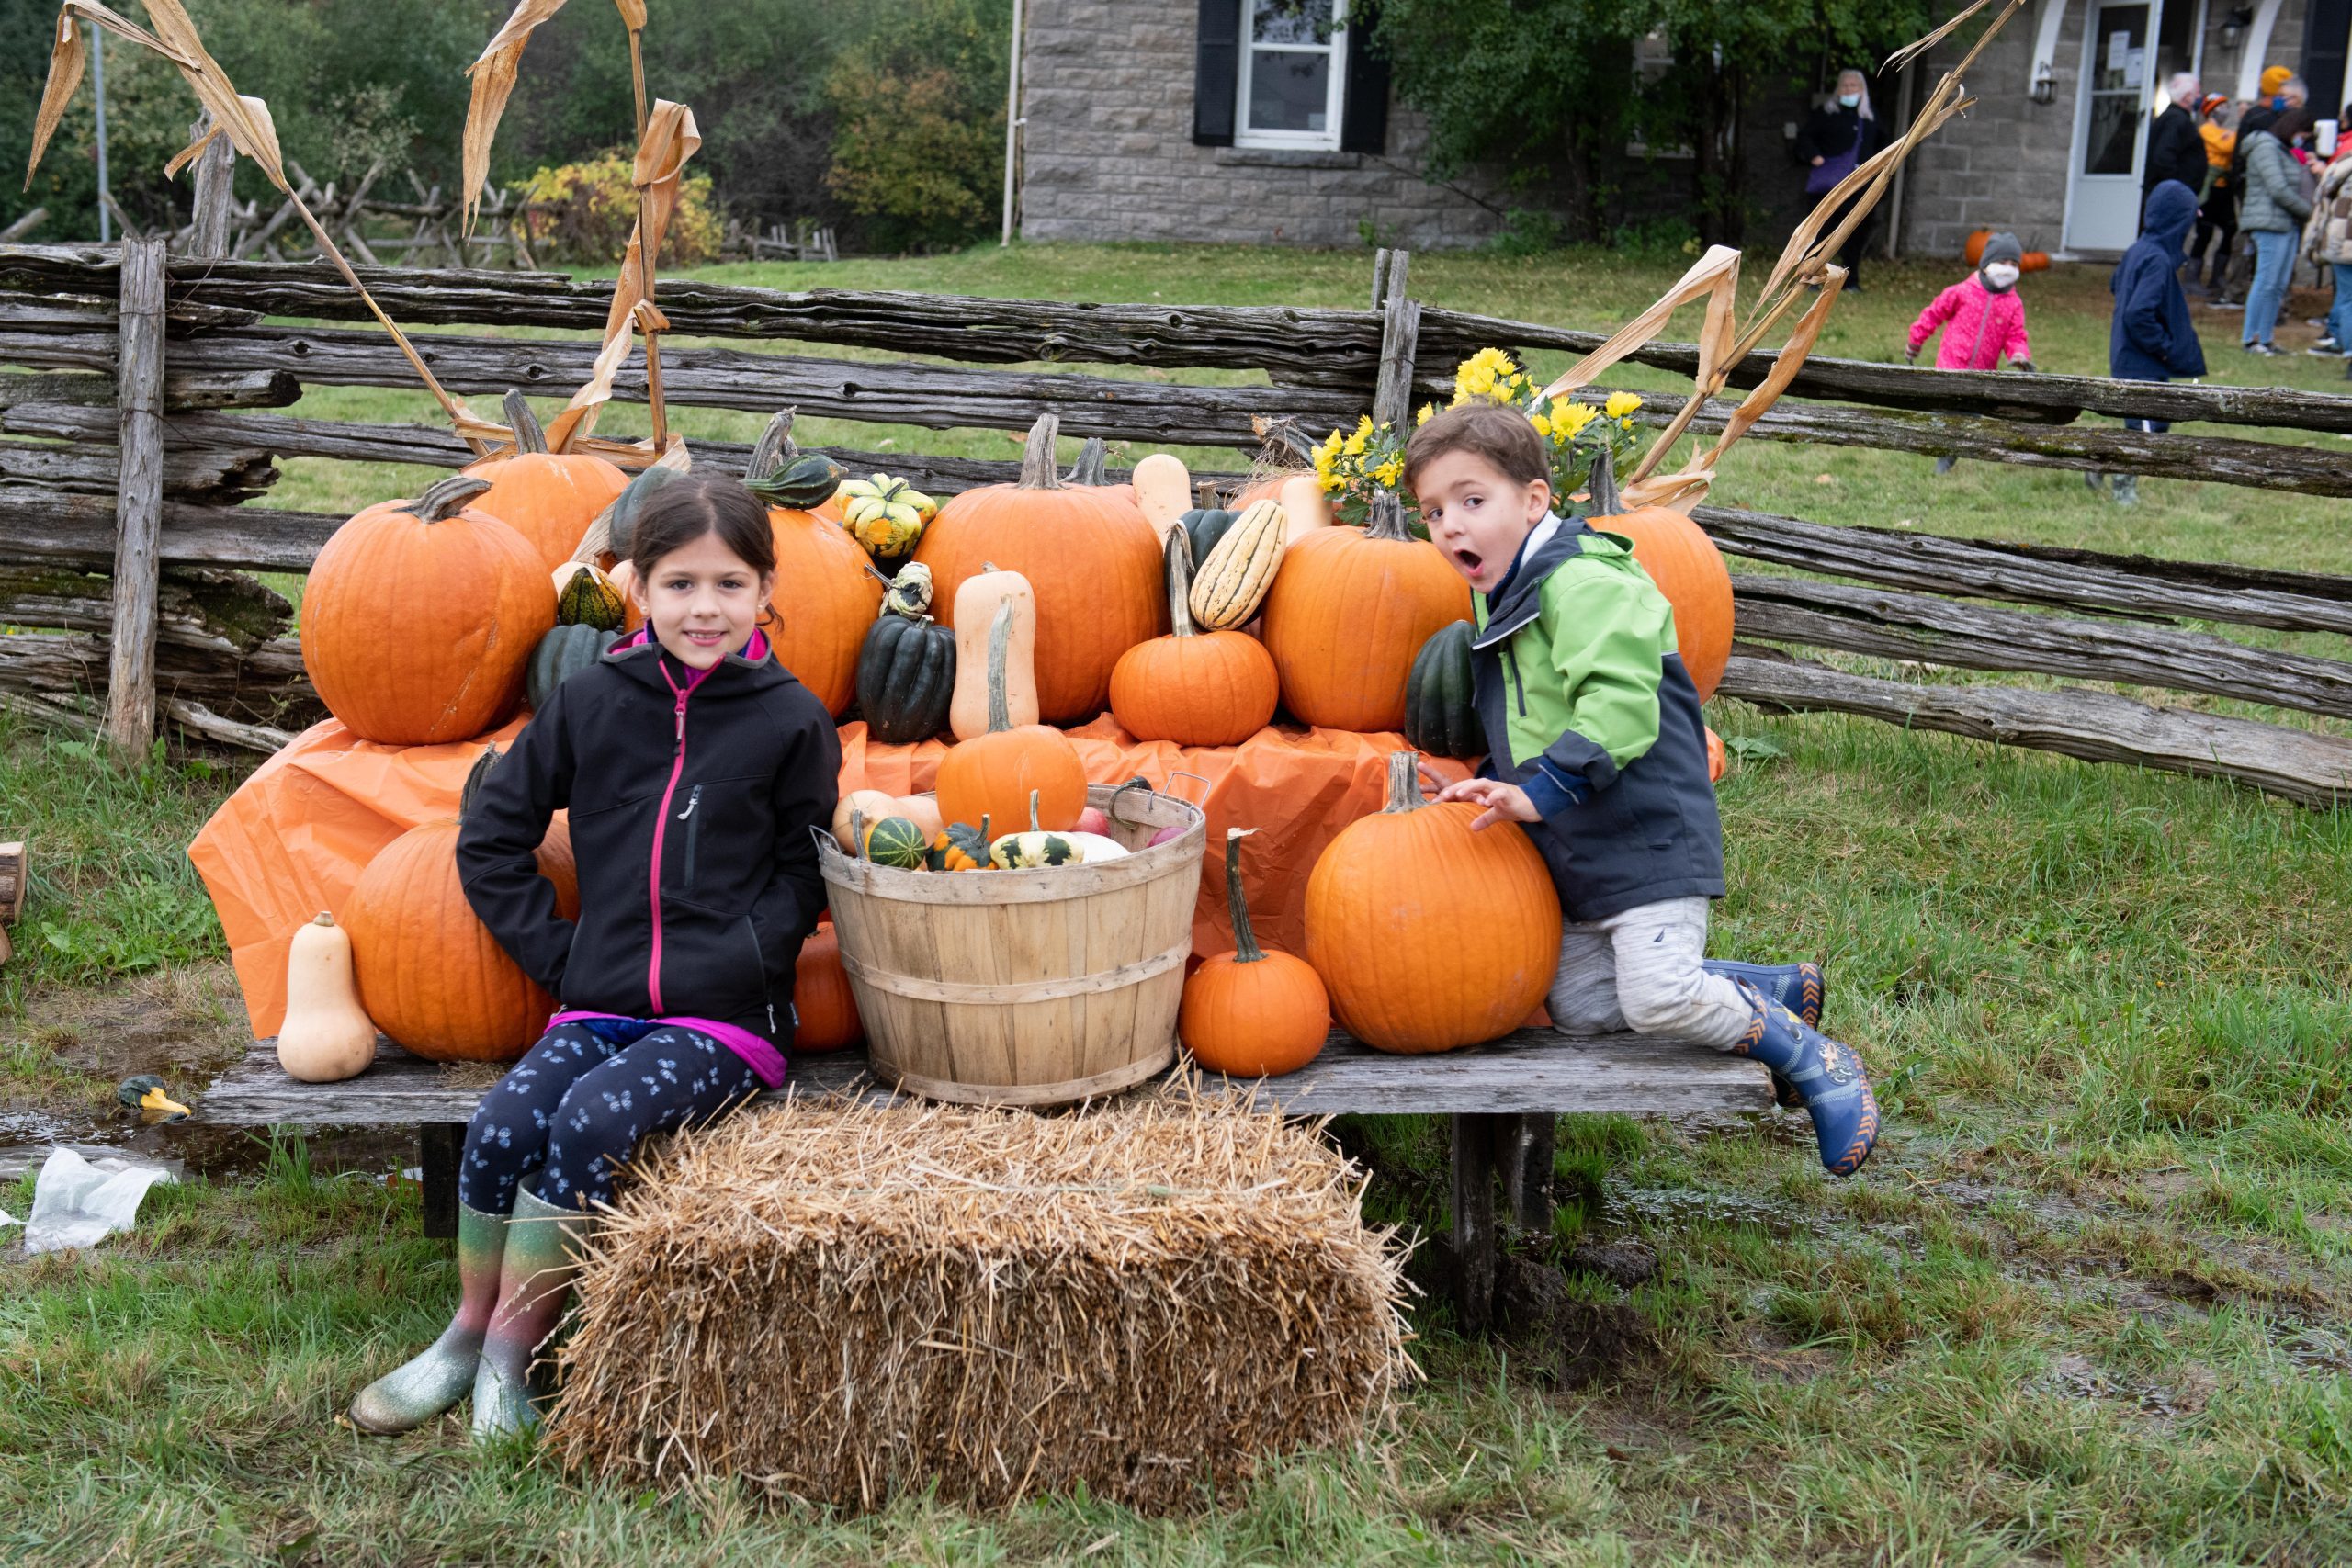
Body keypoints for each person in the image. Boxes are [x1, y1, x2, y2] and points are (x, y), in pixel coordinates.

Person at [347, 476, 841, 1439]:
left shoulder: (791, 719)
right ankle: (462, 1335)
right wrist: (560, 956)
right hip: (597, 997)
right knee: (501, 1124)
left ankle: (512, 1362)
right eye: (681, 584)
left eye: (729, 585)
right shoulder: (589, 700)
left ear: (765, 589)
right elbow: (492, 834)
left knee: (583, 1123)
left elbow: (806, 870)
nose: (705, 608)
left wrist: (748, 952)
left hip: (726, 1020)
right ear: (635, 588)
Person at [1403, 403, 1880, 1177]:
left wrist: (1540, 789)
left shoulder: (1585, 583)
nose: (1451, 524)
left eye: (1471, 500)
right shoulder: (1503, 593)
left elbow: (1619, 705)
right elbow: (1528, 715)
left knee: (1657, 999)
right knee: (1585, 1012)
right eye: (1433, 511)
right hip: (1580, 848)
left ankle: (1814, 1056)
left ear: (1534, 501)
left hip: (1645, 832)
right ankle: (1772, 987)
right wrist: (1490, 778)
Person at [2099, 179, 2208, 506]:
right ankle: (2123, 487)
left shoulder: (2139, 251)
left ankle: (2100, 463)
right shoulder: (2157, 260)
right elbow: (2137, 313)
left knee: (2158, 422)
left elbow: (2116, 284)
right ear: (2178, 222)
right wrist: (2162, 345)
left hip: (2135, 357)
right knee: (2143, 428)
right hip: (2140, 359)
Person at [1905, 231, 2037, 473]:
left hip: (1982, 375)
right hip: (1951, 366)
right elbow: (1933, 314)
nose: (2008, 269)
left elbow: (2016, 335)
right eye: (2002, 263)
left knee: (1969, 420)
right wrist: (1916, 340)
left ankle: (1949, 455)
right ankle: (1942, 447)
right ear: (1987, 264)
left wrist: (2019, 354)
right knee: (1944, 413)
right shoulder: (1962, 292)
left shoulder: (2013, 303)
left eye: (2014, 264)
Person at [1795, 69, 1886, 292]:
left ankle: (1850, 280)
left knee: (1855, 234)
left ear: (1862, 90)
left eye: (1853, 86)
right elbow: (1804, 137)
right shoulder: (1826, 114)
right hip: (1829, 188)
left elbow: (1884, 146)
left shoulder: (1870, 117)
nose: (1848, 90)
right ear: (1838, 89)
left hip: (1860, 188)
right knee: (1820, 233)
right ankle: (1811, 276)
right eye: (1844, 86)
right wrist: (1813, 155)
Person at [2239, 106, 2313, 355]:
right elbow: (2278, 188)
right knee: (2266, 281)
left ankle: (2266, 339)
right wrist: (2309, 212)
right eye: (2303, 133)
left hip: (2285, 222)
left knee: (2278, 285)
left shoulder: (2282, 150)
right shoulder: (2265, 147)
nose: (2302, 139)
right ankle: (2251, 338)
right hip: (2268, 223)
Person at [2143, 73, 2209, 227]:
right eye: (2197, 93)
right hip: (2170, 199)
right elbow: (2163, 157)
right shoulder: (2177, 120)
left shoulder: (2172, 118)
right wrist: (2178, 190)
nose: (2200, 97)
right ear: (2187, 97)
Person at [2188, 95, 2239, 292]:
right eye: (2221, 106)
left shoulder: (2225, 132)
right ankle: (2192, 279)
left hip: (2224, 187)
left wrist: (2230, 136)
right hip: (2209, 189)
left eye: (2227, 106)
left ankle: (2218, 277)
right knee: (2205, 232)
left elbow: (2230, 147)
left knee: (2230, 228)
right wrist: (2232, 137)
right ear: (2211, 110)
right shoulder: (2206, 130)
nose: (2225, 110)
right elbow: (2228, 147)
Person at [2310, 142, 2352, 355]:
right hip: (2345, 243)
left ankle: (2341, 343)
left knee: (2345, 298)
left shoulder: (2340, 168)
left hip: (2337, 243)